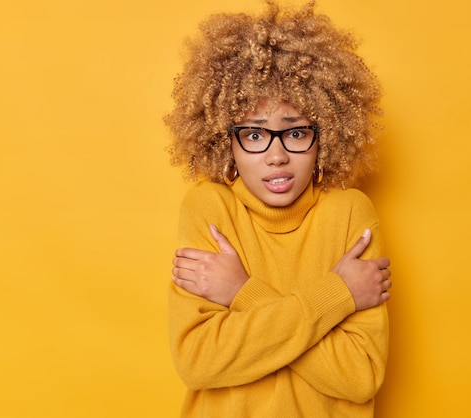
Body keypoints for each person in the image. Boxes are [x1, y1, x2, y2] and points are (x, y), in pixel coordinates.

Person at [165, 1, 392, 416]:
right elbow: (198, 362)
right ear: (225, 140)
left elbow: (359, 377)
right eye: (253, 135)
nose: (276, 156)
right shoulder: (209, 207)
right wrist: (338, 294)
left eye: (295, 132)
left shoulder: (349, 214)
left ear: (326, 133)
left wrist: (241, 294)